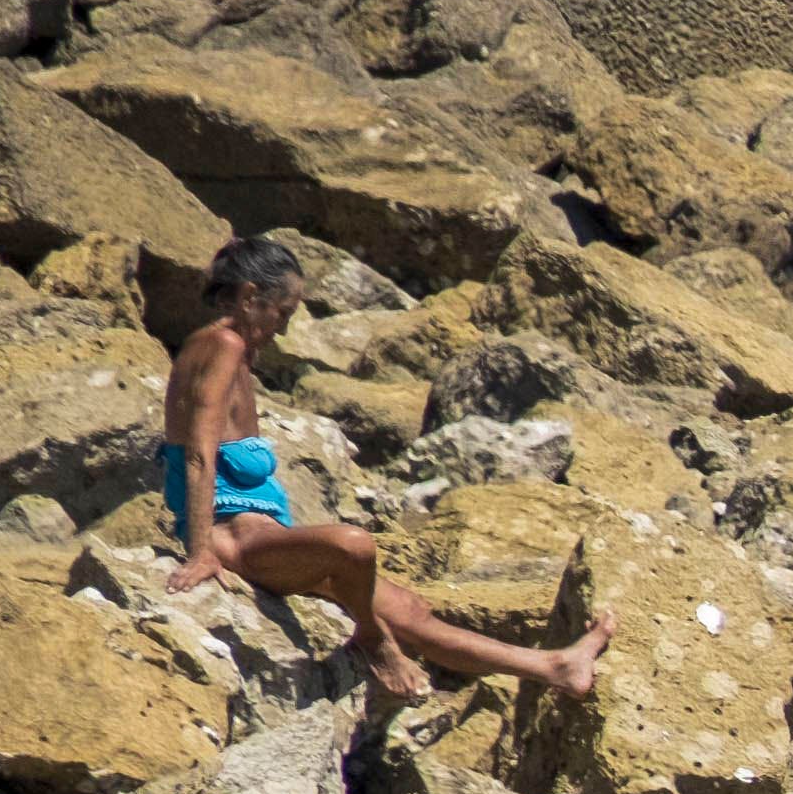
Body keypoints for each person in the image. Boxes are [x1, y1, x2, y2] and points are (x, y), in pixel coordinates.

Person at [156, 234, 610, 709]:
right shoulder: (223, 345)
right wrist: (201, 552)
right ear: (250, 297)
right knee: (355, 546)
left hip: (268, 535)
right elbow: (197, 453)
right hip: (236, 540)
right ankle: (374, 643)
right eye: (283, 313)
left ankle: (556, 666)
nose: (284, 330)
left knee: (412, 609)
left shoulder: (236, 353)